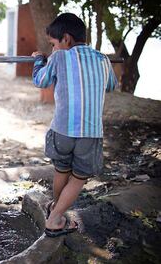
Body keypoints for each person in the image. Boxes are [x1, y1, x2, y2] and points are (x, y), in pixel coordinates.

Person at [31, 13, 118, 237]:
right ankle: (56, 215)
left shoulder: (59, 58)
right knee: (79, 178)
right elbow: (111, 87)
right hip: (90, 134)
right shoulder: (103, 60)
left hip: (62, 130)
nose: (53, 49)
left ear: (66, 39)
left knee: (62, 170)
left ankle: (54, 214)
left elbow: (40, 80)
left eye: (53, 45)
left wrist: (39, 61)